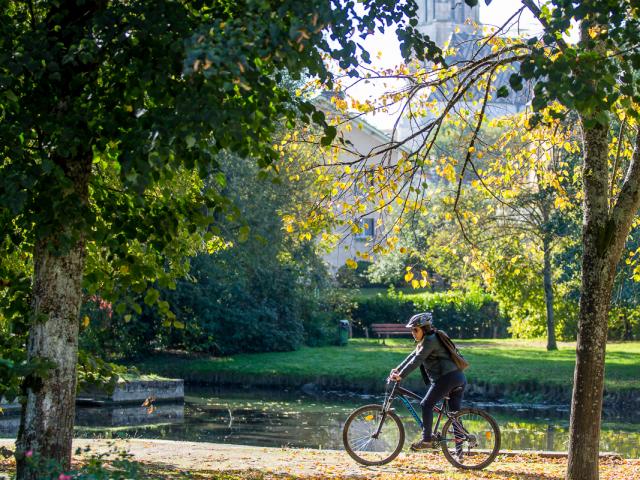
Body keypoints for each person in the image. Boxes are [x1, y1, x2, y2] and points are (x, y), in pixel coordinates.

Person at [389, 312, 467, 450]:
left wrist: (401, 375)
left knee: (426, 405)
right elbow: (412, 356)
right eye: (412, 330)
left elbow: (417, 360)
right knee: (455, 416)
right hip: (458, 378)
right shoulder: (427, 340)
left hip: (447, 378)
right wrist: (398, 370)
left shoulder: (430, 341)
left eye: (415, 329)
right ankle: (459, 454)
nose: (412, 332)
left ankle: (427, 440)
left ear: (424, 329)